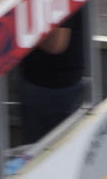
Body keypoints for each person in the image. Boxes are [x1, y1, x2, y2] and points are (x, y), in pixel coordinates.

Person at [18, 12, 85, 144]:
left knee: (44, 149)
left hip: (50, 86)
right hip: (56, 82)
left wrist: (17, 25)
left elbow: (55, 44)